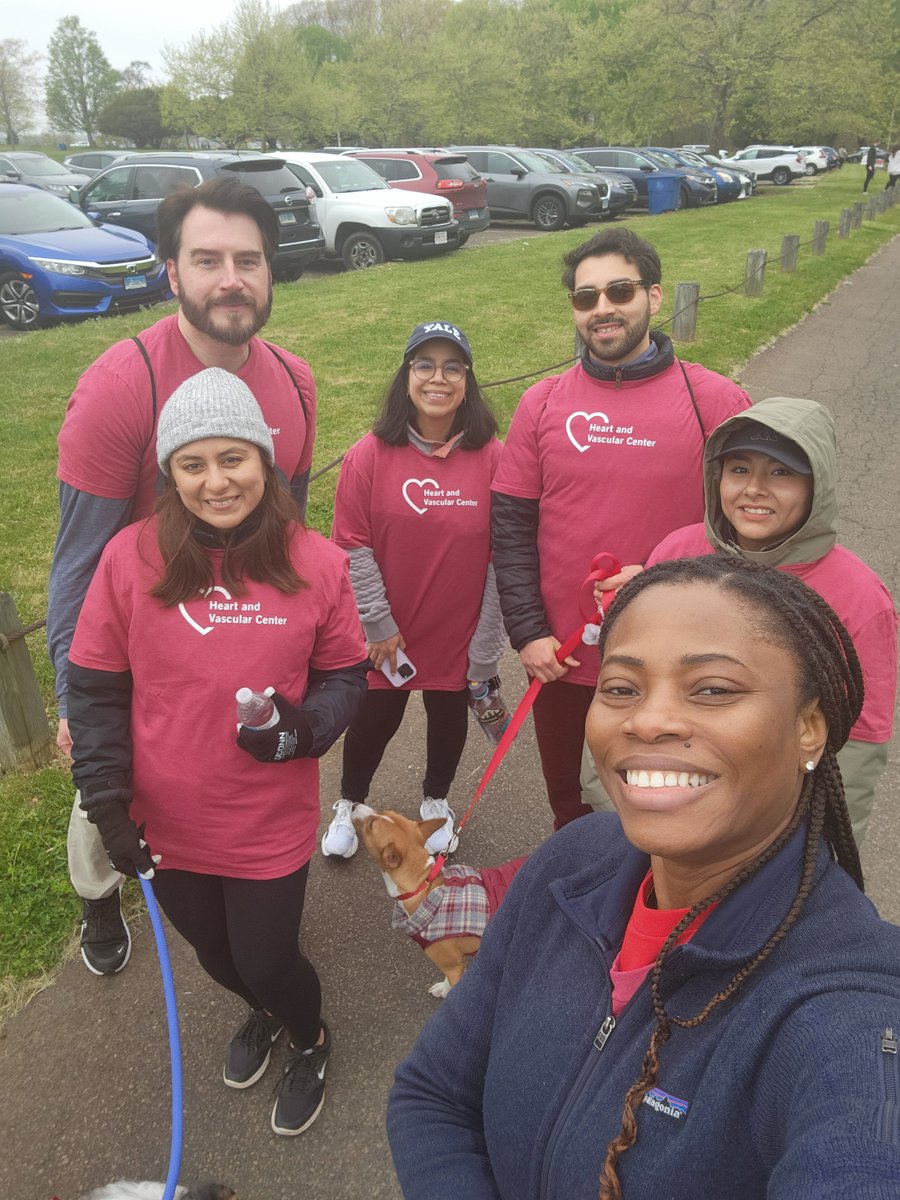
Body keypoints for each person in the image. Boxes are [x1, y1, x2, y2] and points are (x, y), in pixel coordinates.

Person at [387, 557, 900, 1199]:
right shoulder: (570, 862)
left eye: (712, 689)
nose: (647, 721)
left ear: (809, 728)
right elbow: (431, 1092)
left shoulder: (851, 1009)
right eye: (622, 688)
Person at [67, 370, 368, 1136]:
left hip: (265, 816)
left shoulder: (318, 562)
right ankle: (262, 1013)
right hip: (163, 819)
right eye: (192, 463)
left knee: (268, 958)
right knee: (214, 954)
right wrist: (107, 805)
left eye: (233, 458)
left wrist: (304, 732)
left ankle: (310, 1036)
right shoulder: (128, 559)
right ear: (169, 473)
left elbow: (343, 674)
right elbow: (97, 688)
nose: (216, 480)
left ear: (265, 462)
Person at [47, 175, 317, 977]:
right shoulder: (118, 388)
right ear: (172, 272)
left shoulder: (296, 381)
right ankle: (97, 895)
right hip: (134, 636)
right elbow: (79, 562)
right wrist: (75, 698)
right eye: (208, 260)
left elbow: (290, 528)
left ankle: (243, 911)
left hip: (237, 635)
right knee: (108, 792)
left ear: (271, 271)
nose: (230, 278)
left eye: (248, 259)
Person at [490, 228, 751, 830]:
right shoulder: (543, 401)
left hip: (676, 658)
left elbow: (745, 534)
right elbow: (511, 525)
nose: (602, 308)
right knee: (572, 806)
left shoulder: (715, 401)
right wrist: (528, 632)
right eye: (586, 298)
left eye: (619, 290)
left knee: (669, 803)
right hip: (559, 657)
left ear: (654, 297)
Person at [583, 397, 898, 845]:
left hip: (766, 828)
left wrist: (822, 849)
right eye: (739, 469)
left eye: (781, 472)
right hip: (653, 798)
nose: (754, 488)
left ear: (817, 485)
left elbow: (861, 743)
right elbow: (623, 682)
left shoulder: (858, 597)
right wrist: (606, 799)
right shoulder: (677, 550)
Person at [325, 321, 506, 858]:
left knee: (447, 717)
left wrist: (487, 643)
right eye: (424, 364)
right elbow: (352, 544)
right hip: (390, 630)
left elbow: (504, 554)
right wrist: (377, 624)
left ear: (467, 380)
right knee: (375, 719)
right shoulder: (370, 455)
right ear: (406, 376)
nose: (438, 377)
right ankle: (350, 803)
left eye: (453, 367)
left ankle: (435, 800)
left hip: (459, 626)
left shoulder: (494, 456)